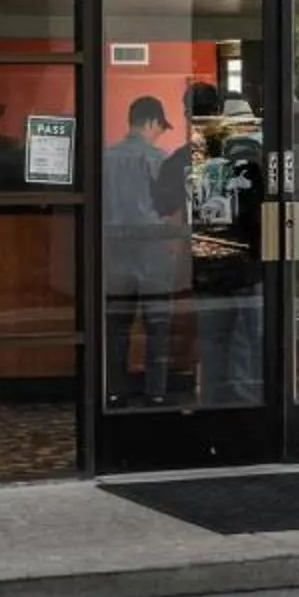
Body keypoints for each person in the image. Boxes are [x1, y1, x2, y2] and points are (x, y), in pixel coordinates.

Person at [183, 81, 266, 408]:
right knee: (246, 344)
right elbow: (260, 206)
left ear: (187, 112)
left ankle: (215, 408)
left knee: (213, 344)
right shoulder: (245, 157)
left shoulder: (181, 157)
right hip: (245, 267)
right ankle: (246, 409)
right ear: (219, 111)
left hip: (204, 268)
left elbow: (163, 204)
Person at [101, 94, 186, 406]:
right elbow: (170, 206)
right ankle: (157, 393)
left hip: (113, 248)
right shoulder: (159, 159)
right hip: (153, 248)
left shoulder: (105, 159)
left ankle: (113, 390)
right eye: (160, 127)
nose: (159, 134)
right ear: (151, 122)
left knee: (117, 326)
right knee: (158, 326)